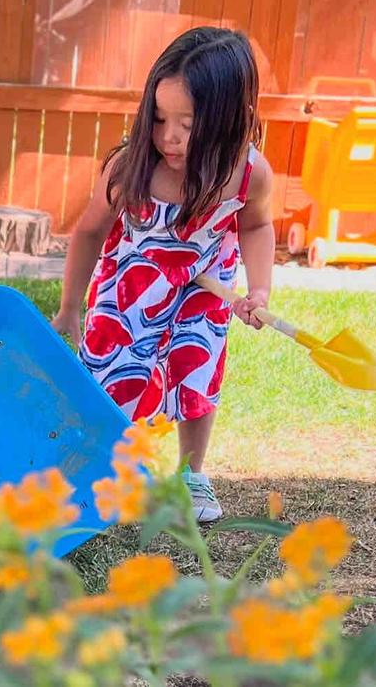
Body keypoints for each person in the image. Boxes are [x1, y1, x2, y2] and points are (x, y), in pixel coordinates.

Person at [52, 27, 275, 522]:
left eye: (187, 124)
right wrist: (70, 307)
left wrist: (259, 288)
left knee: (198, 371)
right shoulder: (130, 168)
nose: (168, 136)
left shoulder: (247, 173)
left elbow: (257, 226)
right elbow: (89, 231)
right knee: (111, 373)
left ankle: (191, 474)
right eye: (157, 118)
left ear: (232, 120)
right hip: (132, 284)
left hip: (205, 284)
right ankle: (96, 463)